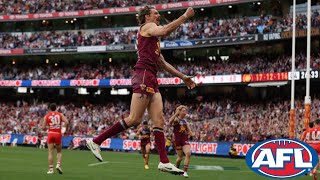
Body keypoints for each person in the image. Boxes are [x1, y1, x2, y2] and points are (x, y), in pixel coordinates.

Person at [86, 5, 196, 175]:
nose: (158, 15)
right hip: (143, 74)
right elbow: (165, 30)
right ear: (146, 17)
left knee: (159, 120)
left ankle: (164, 162)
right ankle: (96, 141)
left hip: (151, 76)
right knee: (134, 119)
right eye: (155, 13)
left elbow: (162, 63)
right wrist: (184, 17)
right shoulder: (148, 27)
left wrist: (183, 77)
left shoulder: (153, 38)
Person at [42, 103, 68, 174]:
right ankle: (58, 165)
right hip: (58, 134)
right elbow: (67, 122)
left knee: (50, 152)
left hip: (50, 134)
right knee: (59, 152)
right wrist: (65, 129)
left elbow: (43, 128)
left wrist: (49, 127)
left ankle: (51, 169)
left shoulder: (47, 116)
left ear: (49, 108)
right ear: (56, 108)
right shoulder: (60, 114)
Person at [169, 105, 194, 177]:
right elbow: (170, 122)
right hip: (177, 140)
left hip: (184, 140)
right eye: (183, 111)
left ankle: (185, 172)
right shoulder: (176, 119)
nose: (185, 112)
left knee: (188, 153)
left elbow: (189, 131)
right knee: (180, 157)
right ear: (179, 112)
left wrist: (192, 134)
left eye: (185, 111)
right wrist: (176, 114)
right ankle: (176, 168)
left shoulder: (185, 121)